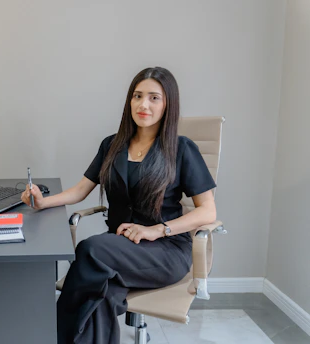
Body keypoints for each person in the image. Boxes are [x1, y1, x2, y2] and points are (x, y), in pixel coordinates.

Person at [20, 66, 217, 344]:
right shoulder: (112, 145)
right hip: (119, 249)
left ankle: (49, 336)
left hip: (165, 250)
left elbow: (208, 210)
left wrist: (158, 230)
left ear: (168, 104)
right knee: (101, 296)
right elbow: (80, 190)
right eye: (137, 96)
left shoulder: (182, 148)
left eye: (154, 98)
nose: (143, 104)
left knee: (89, 249)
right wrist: (42, 202)